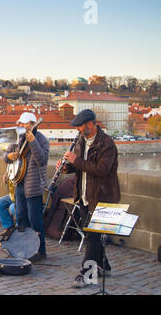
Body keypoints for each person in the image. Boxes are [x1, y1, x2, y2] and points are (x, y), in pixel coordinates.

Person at [56, 109, 120, 288]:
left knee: (92, 236)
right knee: (93, 235)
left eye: (80, 126)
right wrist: (66, 167)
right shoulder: (81, 141)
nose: (77, 129)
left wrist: (76, 161)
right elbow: (78, 168)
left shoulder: (106, 144)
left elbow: (102, 170)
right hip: (84, 196)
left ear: (90, 124)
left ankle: (86, 274)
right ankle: (104, 265)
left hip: (102, 196)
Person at [5, 112, 49, 263]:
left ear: (32, 123)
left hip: (33, 185)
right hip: (19, 183)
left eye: (24, 123)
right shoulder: (18, 137)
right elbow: (6, 155)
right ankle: (24, 248)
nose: (22, 126)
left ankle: (40, 251)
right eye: (21, 123)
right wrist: (9, 157)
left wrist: (33, 142)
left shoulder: (41, 140)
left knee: (35, 220)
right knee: (21, 219)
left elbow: (42, 160)